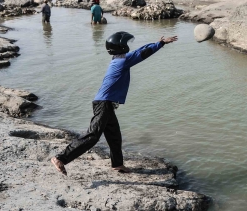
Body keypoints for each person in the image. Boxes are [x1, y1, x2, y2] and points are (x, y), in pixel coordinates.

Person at [51, 32, 178, 175]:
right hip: (103, 104)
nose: (128, 47)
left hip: (106, 104)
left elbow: (138, 51)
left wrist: (157, 42)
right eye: (125, 44)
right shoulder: (123, 61)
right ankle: (60, 158)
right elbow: (143, 54)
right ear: (120, 46)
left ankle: (117, 164)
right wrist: (160, 44)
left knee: (115, 137)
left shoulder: (118, 59)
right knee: (93, 135)